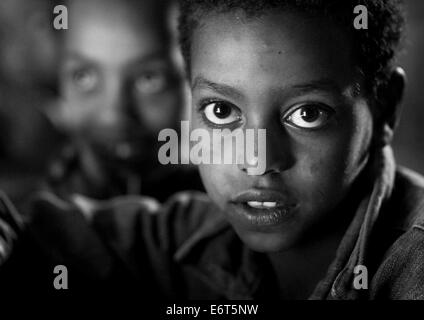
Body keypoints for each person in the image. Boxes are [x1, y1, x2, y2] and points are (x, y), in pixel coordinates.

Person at [1, 0, 424, 300]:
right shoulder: (192, 234)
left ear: (386, 109)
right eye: (222, 111)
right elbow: (39, 234)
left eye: (308, 114)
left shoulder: (411, 269)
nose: (256, 158)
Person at [45, 0, 203, 201]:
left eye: (149, 78)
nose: (113, 115)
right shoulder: (20, 217)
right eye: (84, 76)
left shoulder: (232, 216)